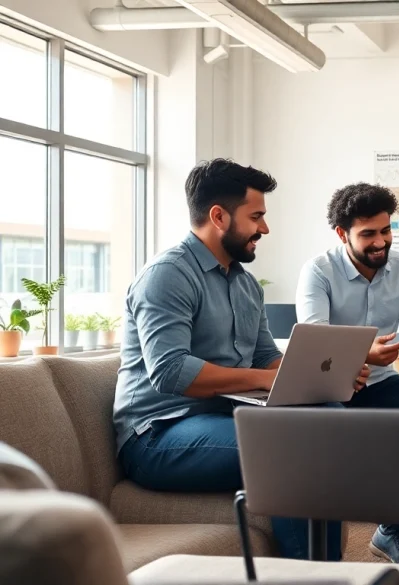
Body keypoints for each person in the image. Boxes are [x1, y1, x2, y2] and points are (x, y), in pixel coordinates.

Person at [113, 159, 355, 560]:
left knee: (328, 414)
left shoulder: (244, 283)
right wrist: (260, 380)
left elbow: (265, 357)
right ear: (219, 216)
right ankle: (310, 576)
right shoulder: (167, 275)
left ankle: (331, 568)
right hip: (158, 434)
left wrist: (314, 375)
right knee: (289, 447)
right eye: (257, 216)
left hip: (225, 416)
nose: (265, 228)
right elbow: (170, 371)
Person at [295, 182, 399, 566]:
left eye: (385, 231)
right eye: (368, 234)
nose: (381, 242)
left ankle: (391, 529)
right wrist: (363, 353)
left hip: (380, 384)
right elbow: (316, 345)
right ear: (342, 234)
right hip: (331, 391)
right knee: (330, 419)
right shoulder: (317, 272)